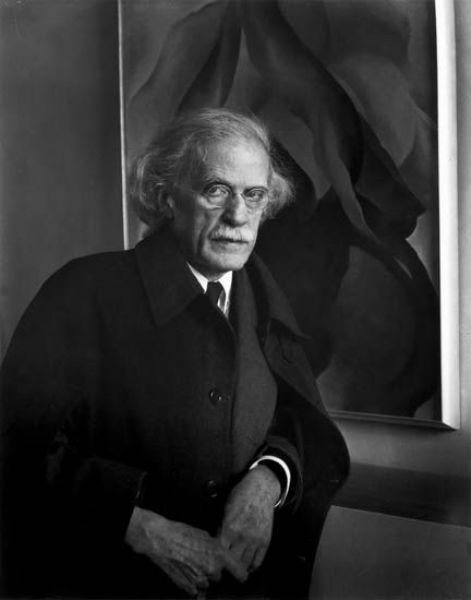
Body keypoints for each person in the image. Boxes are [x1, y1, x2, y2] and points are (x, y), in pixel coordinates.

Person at [0, 108, 349, 599]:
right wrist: (138, 526)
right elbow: (15, 449)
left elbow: (297, 421)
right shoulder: (82, 293)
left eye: (254, 195)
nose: (238, 216)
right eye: (216, 190)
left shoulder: (265, 296)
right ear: (165, 196)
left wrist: (268, 480)